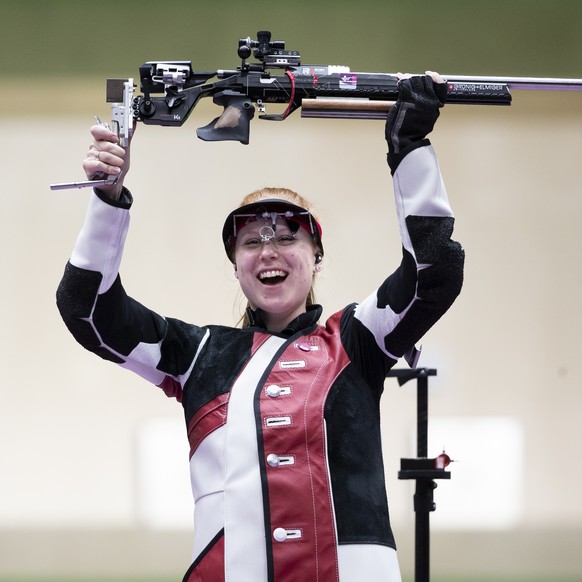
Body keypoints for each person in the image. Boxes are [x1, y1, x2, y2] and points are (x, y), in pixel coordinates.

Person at [56, 71, 464, 582]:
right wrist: (107, 198)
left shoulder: (358, 338)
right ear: (235, 266)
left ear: (317, 257)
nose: (268, 249)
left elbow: (435, 273)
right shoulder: (197, 354)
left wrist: (410, 149)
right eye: (250, 241)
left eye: (287, 235)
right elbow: (85, 307)